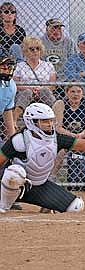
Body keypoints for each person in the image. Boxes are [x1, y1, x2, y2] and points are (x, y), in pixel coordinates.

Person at [0, 102, 85, 213]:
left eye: (51, 120)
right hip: (12, 185)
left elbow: (84, 144)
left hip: (39, 185)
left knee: (76, 206)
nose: (50, 124)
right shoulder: (19, 140)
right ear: (32, 122)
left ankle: (46, 204)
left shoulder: (56, 139)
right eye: (45, 121)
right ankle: (4, 205)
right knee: (15, 172)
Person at [49, 83, 85, 184]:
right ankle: (52, 177)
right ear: (66, 93)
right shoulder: (60, 104)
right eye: (72, 91)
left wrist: (80, 135)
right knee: (61, 152)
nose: (75, 94)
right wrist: (71, 135)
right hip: (64, 137)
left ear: (82, 93)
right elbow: (57, 127)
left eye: (79, 92)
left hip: (83, 136)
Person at [12, 36, 57, 123]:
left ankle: (56, 118)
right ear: (26, 51)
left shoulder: (48, 65)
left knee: (45, 91)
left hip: (43, 90)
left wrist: (39, 89)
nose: (35, 51)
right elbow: (15, 84)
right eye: (32, 49)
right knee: (27, 92)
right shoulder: (20, 66)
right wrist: (30, 88)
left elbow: (52, 85)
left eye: (38, 48)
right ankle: (14, 120)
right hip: (25, 91)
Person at [0, 50, 23, 211]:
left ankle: (7, 196)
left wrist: (13, 138)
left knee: (7, 153)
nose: (6, 69)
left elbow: (8, 111)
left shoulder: (10, 86)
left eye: (8, 66)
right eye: (2, 65)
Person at [40, 18, 76, 99]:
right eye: (54, 28)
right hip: (46, 78)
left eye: (59, 28)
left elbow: (73, 62)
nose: (57, 31)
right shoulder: (40, 42)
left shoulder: (69, 42)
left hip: (64, 78)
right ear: (47, 29)